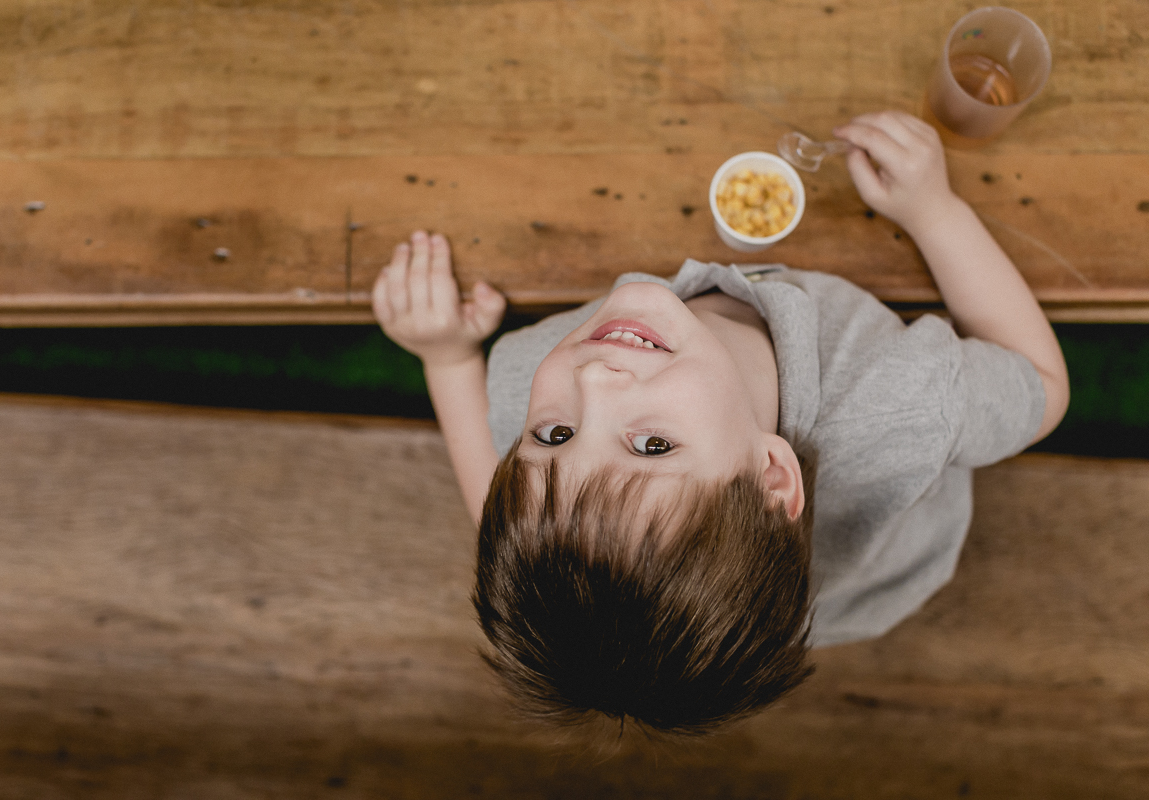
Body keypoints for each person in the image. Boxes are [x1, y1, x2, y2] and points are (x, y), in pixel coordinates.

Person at [371, 111, 1069, 734]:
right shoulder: (912, 400)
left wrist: (449, 358)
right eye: (650, 445)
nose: (593, 381)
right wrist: (935, 212)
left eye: (553, 437)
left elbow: (496, 510)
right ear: (771, 475)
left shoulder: (529, 375)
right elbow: (1042, 385)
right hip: (884, 574)